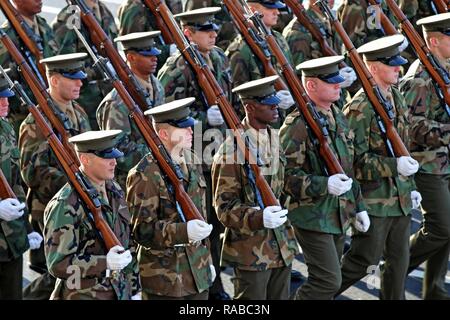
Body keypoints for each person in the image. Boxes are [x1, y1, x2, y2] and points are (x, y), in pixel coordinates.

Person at [157, 7, 233, 299]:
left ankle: (213, 281)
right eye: (205, 30)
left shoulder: (219, 57)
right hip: (195, 158)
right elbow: (166, 119)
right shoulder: (176, 68)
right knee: (201, 225)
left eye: (214, 28)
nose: (213, 33)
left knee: (220, 221)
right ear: (188, 33)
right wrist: (203, 120)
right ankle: (208, 288)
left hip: (220, 152)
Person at [280, 56, 368, 299]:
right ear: (311, 86)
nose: (338, 86)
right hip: (312, 216)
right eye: (331, 82)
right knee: (328, 281)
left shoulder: (336, 115)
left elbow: (348, 167)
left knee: (328, 283)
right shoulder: (297, 125)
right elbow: (284, 177)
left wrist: (358, 206)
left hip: (338, 213)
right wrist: (323, 184)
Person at [338, 35, 419, 300]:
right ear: (373, 68)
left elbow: (402, 146)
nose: (399, 68)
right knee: (362, 262)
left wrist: (411, 185)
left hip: (400, 197)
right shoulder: (360, 107)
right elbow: (354, 163)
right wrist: (394, 166)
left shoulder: (395, 95)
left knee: (398, 264)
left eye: (398, 63)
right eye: (391, 64)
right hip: (375, 199)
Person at [212, 75, 299, 300]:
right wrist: (258, 217)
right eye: (268, 103)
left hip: (281, 245)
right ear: (250, 108)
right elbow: (224, 208)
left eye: (274, 101)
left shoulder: (273, 137)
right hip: (251, 254)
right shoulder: (231, 151)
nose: (275, 107)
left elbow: (283, 184)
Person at [127, 98, 215, 300]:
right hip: (166, 281)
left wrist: (206, 259)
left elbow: (199, 212)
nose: (191, 132)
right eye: (183, 128)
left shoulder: (192, 158)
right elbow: (143, 231)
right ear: (164, 134)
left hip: (198, 274)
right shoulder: (145, 174)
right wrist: (183, 231)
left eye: (190, 127)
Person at [19, 52, 91, 299]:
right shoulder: (35, 122)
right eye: (73, 79)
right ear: (55, 80)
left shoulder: (79, 113)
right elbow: (33, 172)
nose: (80, 83)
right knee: (60, 273)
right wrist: (74, 181)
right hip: (52, 206)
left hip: (82, 201)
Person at [44, 130, 140, 300]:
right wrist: (104, 263)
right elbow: (58, 264)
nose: (114, 162)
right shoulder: (65, 203)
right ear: (85, 160)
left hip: (119, 292)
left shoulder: (114, 190)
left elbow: (128, 242)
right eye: (107, 157)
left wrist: (134, 288)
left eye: (114, 156)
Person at [399, 12, 450, 300]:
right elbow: (411, 126)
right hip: (429, 164)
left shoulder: (445, 66)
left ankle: (434, 288)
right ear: (434, 41)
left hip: (445, 159)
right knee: (439, 228)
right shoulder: (419, 76)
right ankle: (395, 267)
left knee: (448, 228)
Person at [97, 31, 165, 191]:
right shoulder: (118, 101)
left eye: (154, 53)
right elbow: (118, 149)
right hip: (133, 182)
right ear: (131, 57)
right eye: (147, 55)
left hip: (158, 175)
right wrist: (156, 153)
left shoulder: (157, 86)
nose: (154, 58)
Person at [0, 70, 42, 300]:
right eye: (0, 98)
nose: (6, 102)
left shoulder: (5, 130)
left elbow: (15, 185)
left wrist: (26, 228)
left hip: (11, 243)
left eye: (6, 96)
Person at [226, 0, 295, 125]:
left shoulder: (279, 38)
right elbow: (238, 101)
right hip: (264, 126)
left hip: (289, 119)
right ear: (252, 10)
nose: (277, 12)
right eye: (270, 8)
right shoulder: (241, 50)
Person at [52, 0, 118, 130]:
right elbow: (64, 65)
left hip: (108, 96)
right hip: (85, 101)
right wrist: (98, 70)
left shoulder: (103, 10)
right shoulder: (72, 15)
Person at [0, 0, 59, 138]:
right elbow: (4, 82)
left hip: (52, 109)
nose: (40, 0)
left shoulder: (43, 26)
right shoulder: (7, 36)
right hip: (24, 118)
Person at [117, 0, 182, 73]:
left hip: (168, 66)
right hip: (149, 72)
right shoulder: (133, 7)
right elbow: (133, 48)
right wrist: (169, 50)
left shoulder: (168, 2)